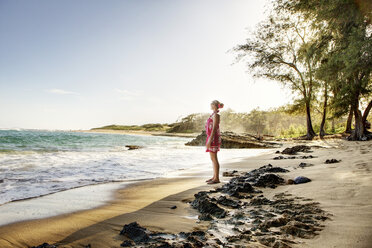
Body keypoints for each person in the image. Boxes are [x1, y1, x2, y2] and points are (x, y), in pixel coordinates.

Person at [205, 100, 223, 184]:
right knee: (212, 158)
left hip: (213, 137)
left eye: (211, 104)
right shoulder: (212, 114)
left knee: (214, 158)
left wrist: (210, 139)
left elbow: (215, 128)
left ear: (214, 105)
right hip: (211, 137)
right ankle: (214, 176)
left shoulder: (216, 115)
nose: (210, 105)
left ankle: (217, 179)